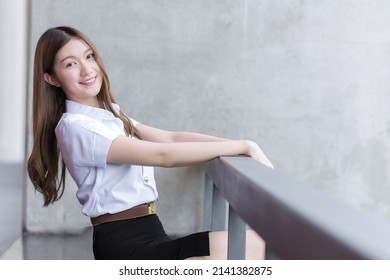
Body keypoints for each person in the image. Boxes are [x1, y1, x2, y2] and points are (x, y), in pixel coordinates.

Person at [27, 26, 274, 260]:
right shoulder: (77, 127)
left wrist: (237, 144)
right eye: (70, 64)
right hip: (126, 245)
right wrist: (243, 146)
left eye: (89, 56)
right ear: (52, 78)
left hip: (148, 230)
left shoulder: (110, 116)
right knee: (257, 248)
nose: (87, 69)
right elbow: (162, 155)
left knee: (255, 249)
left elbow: (171, 138)